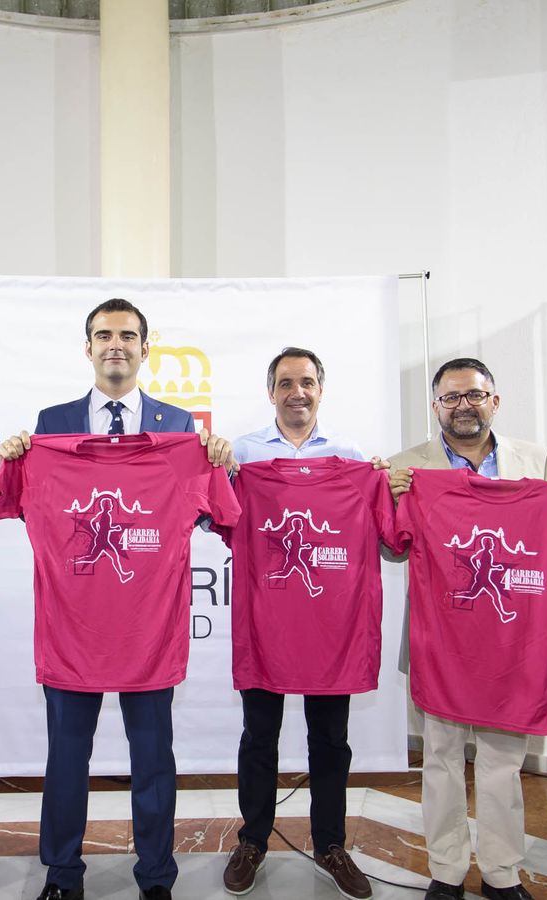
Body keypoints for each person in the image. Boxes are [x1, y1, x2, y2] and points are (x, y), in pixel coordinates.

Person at [0, 298, 232, 900]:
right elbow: (16, 504)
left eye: (127, 335)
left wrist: (218, 462)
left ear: (145, 349)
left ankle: (156, 877)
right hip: (71, 627)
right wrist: (16, 457)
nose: (115, 345)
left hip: (148, 629)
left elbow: (211, 516)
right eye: (104, 335)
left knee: (153, 760)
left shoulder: (181, 428)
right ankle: (61, 876)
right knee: (66, 758)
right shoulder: (50, 425)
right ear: (88, 348)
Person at [387, 357, 547, 900]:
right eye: (451, 397)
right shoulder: (407, 467)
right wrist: (390, 499)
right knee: (440, 759)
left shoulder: (537, 461)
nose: (463, 406)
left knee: (503, 762)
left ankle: (502, 872)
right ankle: (446, 871)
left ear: (494, 401)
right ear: (436, 407)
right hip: (439, 642)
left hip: (512, 644)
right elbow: (391, 548)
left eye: (474, 395)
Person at [220, 347, 383, 900]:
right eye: (286, 382)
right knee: (258, 737)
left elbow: (380, 530)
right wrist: (217, 471)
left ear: (320, 389)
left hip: (332, 629)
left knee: (331, 740)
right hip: (265, 623)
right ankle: (252, 840)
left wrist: (384, 483)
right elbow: (215, 519)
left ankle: (331, 844)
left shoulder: (350, 458)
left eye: (307, 382)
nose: (298, 392)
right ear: (271, 392)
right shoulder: (243, 455)